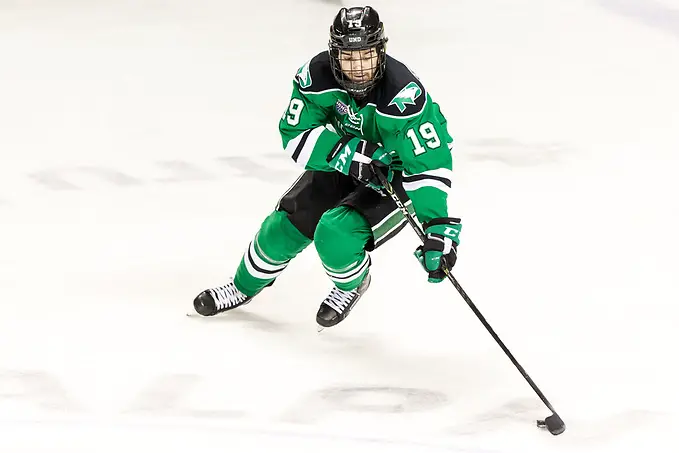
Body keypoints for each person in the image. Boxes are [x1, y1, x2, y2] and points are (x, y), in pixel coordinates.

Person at [193, 5, 462, 328]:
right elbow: (295, 134)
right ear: (335, 55)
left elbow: (428, 164)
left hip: (394, 175)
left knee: (335, 233)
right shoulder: (316, 76)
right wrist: (349, 154)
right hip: (345, 160)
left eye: (366, 55)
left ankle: (351, 285)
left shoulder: (403, 95)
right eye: (349, 57)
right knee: (281, 228)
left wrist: (436, 228)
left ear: (381, 51)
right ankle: (242, 286)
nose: (359, 67)